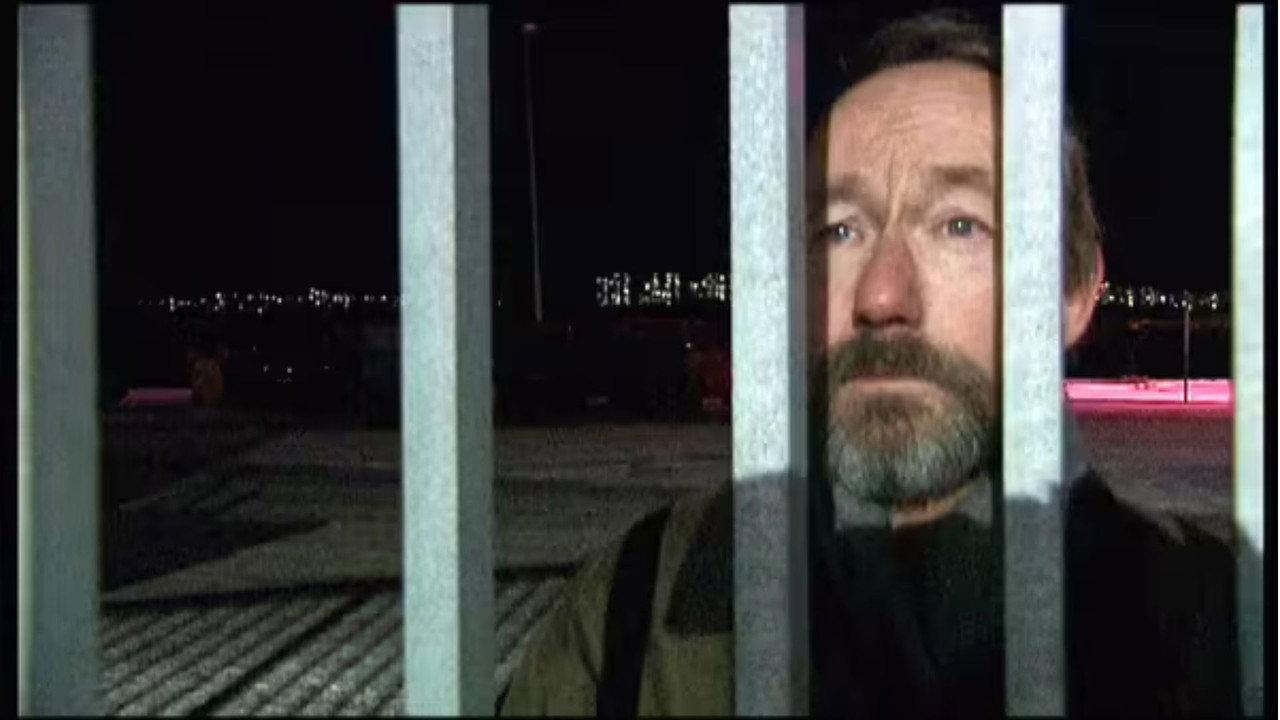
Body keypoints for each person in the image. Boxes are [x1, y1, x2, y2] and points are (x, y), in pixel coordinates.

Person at [500, 10, 1240, 718]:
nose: (882, 295)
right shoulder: (630, 619)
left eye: (960, 225)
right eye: (839, 230)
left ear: (1073, 292)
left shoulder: (1224, 631)